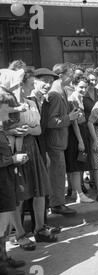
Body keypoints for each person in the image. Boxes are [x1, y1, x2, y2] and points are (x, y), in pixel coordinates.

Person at [7, 69, 58, 248]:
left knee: (39, 190)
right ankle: (20, 234)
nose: (30, 88)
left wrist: (27, 129)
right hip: (14, 149)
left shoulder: (31, 102)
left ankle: (39, 229)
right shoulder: (6, 104)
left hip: (32, 147)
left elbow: (38, 130)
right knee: (18, 193)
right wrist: (14, 131)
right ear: (19, 85)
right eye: (29, 84)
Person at [41, 63, 80, 215]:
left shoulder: (60, 91)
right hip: (54, 142)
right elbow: (51, 122)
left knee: (58, 173)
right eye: (70, 74)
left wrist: (72, 115)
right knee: (57, 174)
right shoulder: (55, 94)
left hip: (59, 141)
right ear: (61, 76)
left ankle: (57, 202)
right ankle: (57, 204)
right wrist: (69, 117)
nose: (72, 77)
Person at [0, 87, 28, 275]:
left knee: (3, 224)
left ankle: (3, 256)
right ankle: (1, 265)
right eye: (6, 107)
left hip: (5, 180)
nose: (10, 110)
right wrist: (14, 159)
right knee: (1, 225)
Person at [64, 75, 94, 203]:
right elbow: (75, 123)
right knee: (76, 167)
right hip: (75, 135)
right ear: (74, 85)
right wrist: (80, 140)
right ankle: (79, 195)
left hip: (82, 133)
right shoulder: (72, 99)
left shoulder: (80, 98)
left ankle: (75, 193)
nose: (83, 89)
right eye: (81, 87)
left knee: (78, 166)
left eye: (85, 87)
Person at [83, 68, 98, 189]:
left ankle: (96, 182)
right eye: (90, 79)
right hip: (86, 126)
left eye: (95, 79)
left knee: (97, 153)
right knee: (88, 153)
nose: (93, 81)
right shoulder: (82, 93)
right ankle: (89, 180)